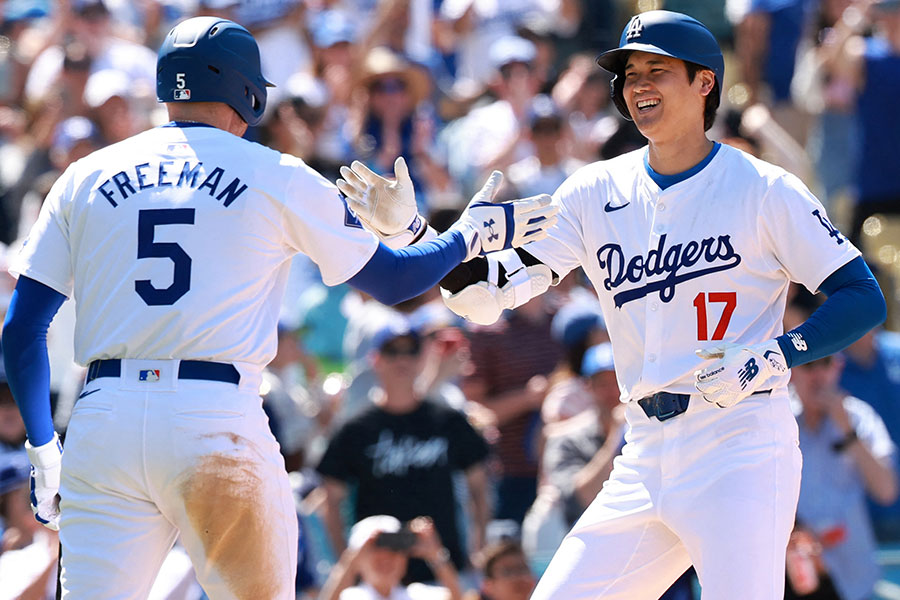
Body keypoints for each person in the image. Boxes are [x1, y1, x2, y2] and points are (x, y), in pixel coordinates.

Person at [0, 16, 557, 598]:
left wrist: (43, 446)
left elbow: (22, 329)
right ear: (249, 91)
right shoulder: (276, 173)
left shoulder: (82, 175)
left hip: (104, 415)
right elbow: (396, 283)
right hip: (213, 416)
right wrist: (468, 233)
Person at [337, 10, 887, 598]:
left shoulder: (764, 188)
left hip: (739, 445)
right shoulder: (592, 192)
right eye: (628, 73)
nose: (638, 85)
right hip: (643, 450)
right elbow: (482, 296)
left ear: (705, 83)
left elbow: (863, 297)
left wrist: (777, 355)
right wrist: (418, 235)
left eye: (657, 70)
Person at [317, 319, 491, 583]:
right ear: (375, 359)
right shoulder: (355, 429)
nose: (402, 360)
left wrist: (479, 545)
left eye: (410, 351)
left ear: (423, 358)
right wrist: (347, 563)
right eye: (392, 351)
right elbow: (330, 501)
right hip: (380, 578)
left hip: (443, 571)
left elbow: (479, 486)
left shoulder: (448, 421)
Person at [788, 353, 898, 600]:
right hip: (795, 572)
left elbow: (886, 491)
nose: (817, 375)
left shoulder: (857, 416)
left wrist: (848, 432)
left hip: (851, 573)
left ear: (838, 367)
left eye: (825, 363)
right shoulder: (781, 419)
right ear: (792, 372)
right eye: (808, 365)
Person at [320, 514, 462, 600]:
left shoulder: (416, 594)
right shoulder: (350, 597)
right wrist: (348, 565)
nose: (386, 557)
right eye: (376, 549)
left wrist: (436, 555)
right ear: (356, 558)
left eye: (394, 549)